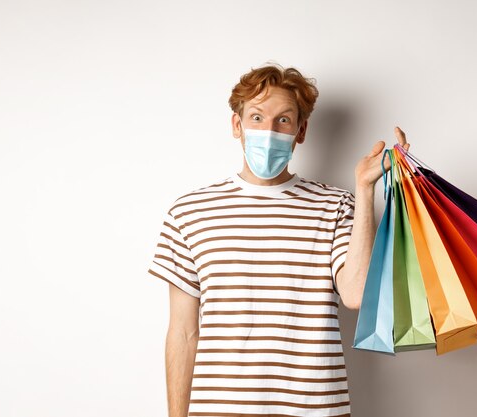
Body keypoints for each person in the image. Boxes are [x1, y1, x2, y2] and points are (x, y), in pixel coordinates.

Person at [147, 62, 410, 417]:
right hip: (219, 410)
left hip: (316, 409)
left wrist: (364, 190)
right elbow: (182, 333)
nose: (269, 131)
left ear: (301, 131)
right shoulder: (189, 212)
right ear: (237, 125)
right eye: (257, 118)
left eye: (283, 120)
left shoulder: (335, 205)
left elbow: (356, 294)